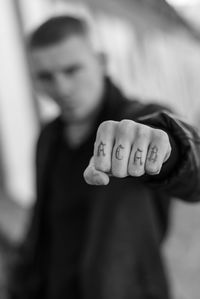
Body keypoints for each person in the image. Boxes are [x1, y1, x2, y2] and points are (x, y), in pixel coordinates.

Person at [8, 15, 200, 299]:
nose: (61, 88)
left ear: (100, 61)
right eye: (46, 77)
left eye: (72, 70)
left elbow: (192, 170)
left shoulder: (139, 121)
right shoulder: (48, 137)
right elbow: (42, 223)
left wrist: (168, 147)